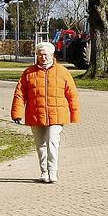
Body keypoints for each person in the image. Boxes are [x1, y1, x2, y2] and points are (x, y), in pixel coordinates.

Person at [11, 42, 80, 183]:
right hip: (35, 114)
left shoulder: (62, 72)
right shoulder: (29, 73)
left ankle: (53, 171)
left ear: (52, 55)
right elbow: (20, 94)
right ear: (37, 55)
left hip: (57, 114)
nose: (43, 57)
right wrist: (16, 113)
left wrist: (74, 114)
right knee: (40, 145)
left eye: (45, 54)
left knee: (52, 141)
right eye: (40, 54)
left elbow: (72, 94)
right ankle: (44, 172)